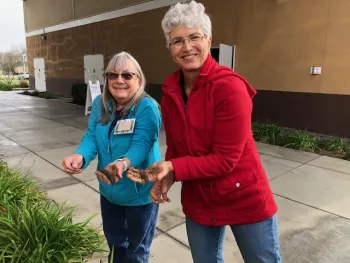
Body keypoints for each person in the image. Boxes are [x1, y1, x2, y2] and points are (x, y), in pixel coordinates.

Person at [127, 1, 281, 263]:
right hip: (200, 197)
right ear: (170, 49)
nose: (187, 47)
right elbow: (176, 147)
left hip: (244, 195)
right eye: (177, 41)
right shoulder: (170, 93)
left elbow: (225, 159)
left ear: (209, 40)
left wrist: (173, 166)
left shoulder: (229, 88)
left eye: (194, 37)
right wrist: (166, 177)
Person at [61, 51, 162, 263]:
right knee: (115, 243)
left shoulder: (147, 107)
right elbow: (91, 136)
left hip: (140, 193)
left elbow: (142, 144)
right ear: (106, 79)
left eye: (127, 75)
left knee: (137, 251)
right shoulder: (100, 103)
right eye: (113, 75)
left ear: (139, 79)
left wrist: (122, 162)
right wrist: (81, 156)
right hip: (109, 190)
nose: (119, 80)